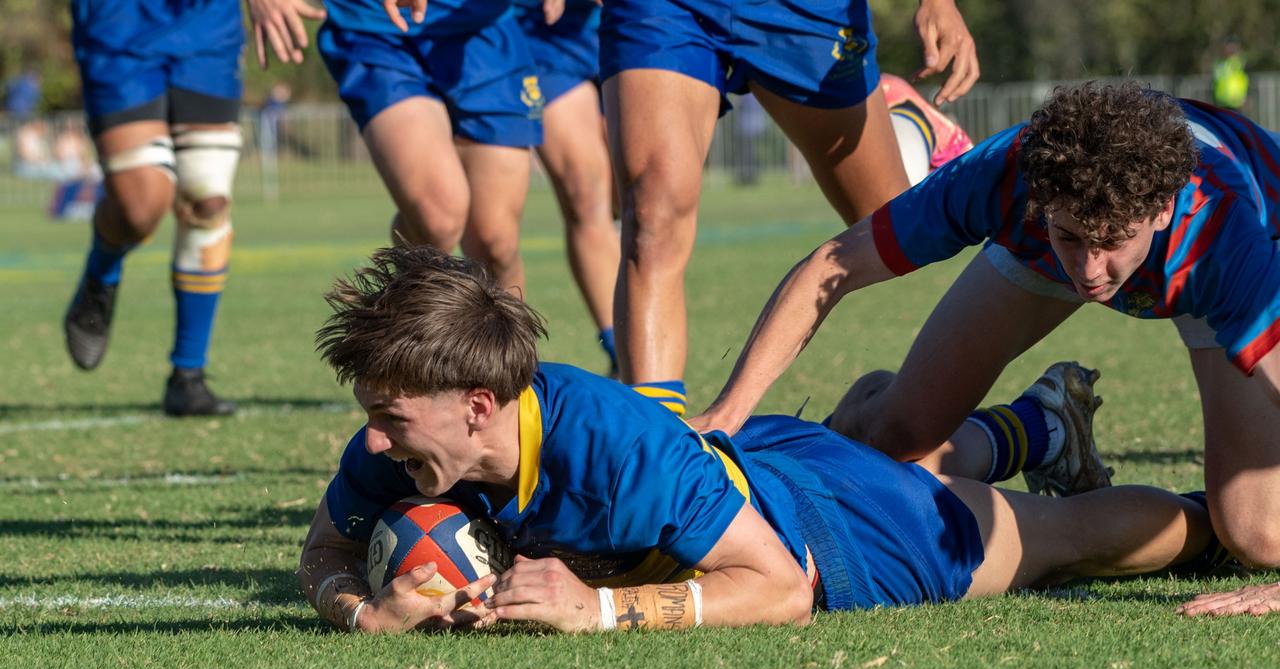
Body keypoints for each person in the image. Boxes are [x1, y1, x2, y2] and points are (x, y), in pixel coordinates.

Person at [295, 245, 1219, 633]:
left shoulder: (615, 452)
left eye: (390, 418)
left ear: (479, 405)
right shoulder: (402, 441)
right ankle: (1038, 426)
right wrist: (360, 610)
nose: (373, 446)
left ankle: (1220, 523)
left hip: (830, 528)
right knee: (877, 432)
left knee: (1056, 544)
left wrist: (601, 611)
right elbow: (326, 545)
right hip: (749, 467)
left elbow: (777, 589)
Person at [690, 82, 1280, 617]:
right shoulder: (1013, 174)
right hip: (1048, 238)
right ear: (1043, 203)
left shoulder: (1224, 237)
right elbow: (833, 265)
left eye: (1110, 242)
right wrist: (728, 411)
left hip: (1220, 263)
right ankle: (1038, 429)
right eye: (1072, 236)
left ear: (1159, 210)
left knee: (1259, 535)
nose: (1091, 270)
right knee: (891, 440)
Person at [599, 0, 980, 415]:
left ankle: (907, 121)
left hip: (804, 11)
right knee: (652, 215)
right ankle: (655, 444)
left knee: (885, 220)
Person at [62, 0, 326, 416]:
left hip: (207, 27)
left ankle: (188, 376)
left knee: (209, 200)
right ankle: (102, 271)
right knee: (141, 208)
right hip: (120, 22)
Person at [316, 0, 555, 297]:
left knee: (496, 243)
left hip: (483, 30)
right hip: (378, 27)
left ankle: (507, 342)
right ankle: (406, 334)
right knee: (438, 216)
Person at [514, 0, 621, 375]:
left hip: (618, 28)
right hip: (542, 38)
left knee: (631, 197)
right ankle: (621, 350)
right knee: (586, 194)